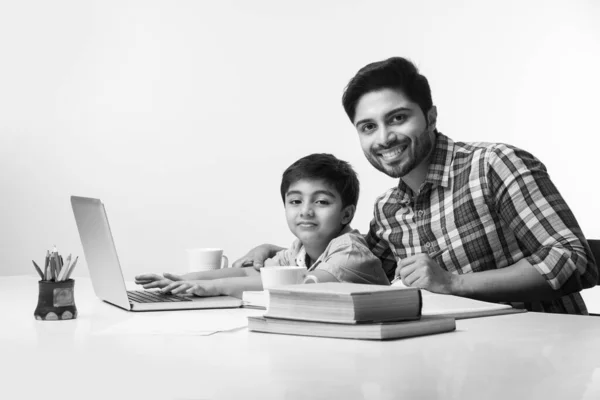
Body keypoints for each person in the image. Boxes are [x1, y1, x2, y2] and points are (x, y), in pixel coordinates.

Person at [234, 57, 599, 314]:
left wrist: (454, 283)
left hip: (546, 352)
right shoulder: (387, 209)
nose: (384, 137)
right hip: (446, 360)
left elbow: (573, 261)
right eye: (368, 127)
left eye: (397, 118)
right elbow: (356, 268)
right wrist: (281, 250)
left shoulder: (494, 164)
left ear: (431, 116)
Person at [135, 153, 389, 298]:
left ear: (346, 215)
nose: (306, 211)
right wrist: (182, 279)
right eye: (295, 201)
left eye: (321, 201)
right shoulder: (299, 251)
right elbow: (251, 275)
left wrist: (210, 288)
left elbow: (302, 286)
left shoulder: (350, 251)